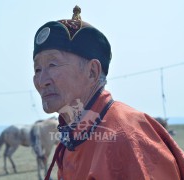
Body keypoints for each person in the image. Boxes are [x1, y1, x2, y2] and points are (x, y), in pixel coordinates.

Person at [32, 5, 184, 180]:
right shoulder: (73, 136)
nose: (42, 81)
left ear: (92, 72)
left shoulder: (124, 137)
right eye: (37, 69)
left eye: (52, 65)